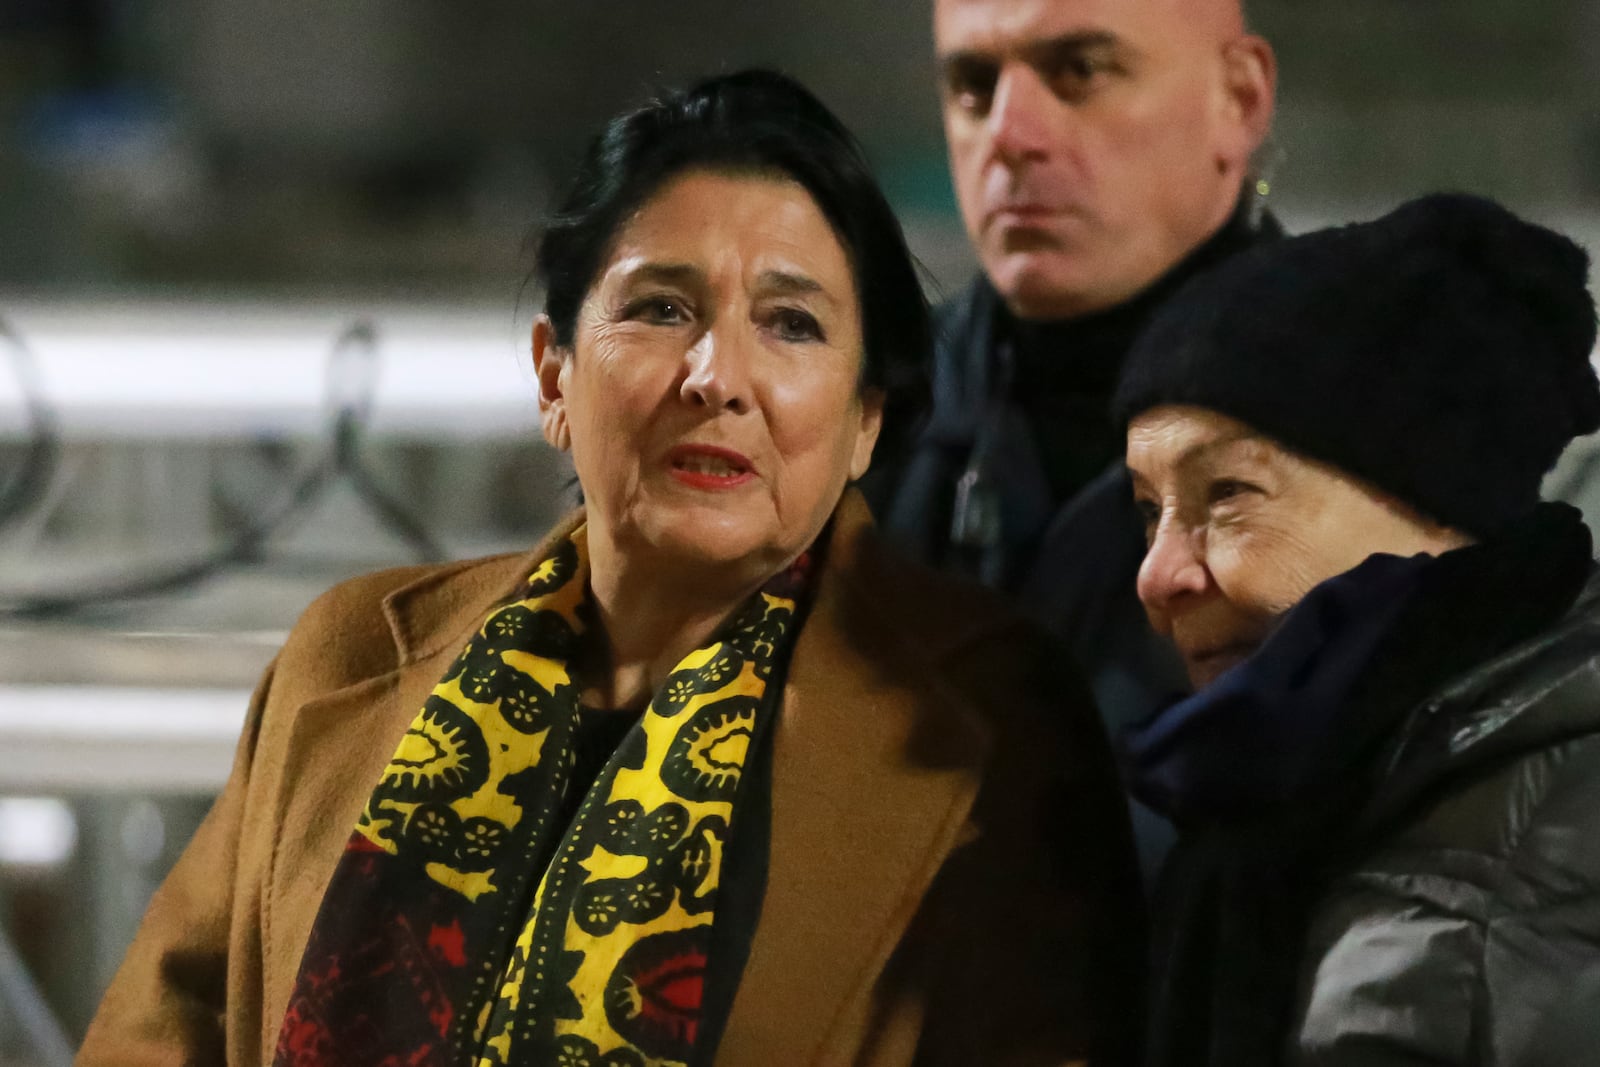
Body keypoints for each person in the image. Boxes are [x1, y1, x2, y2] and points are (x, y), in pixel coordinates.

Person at [77, 70, 1141, 1067]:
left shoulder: (985, 715)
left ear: (865, 422)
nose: (717, 376)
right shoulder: (349, 651)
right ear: (553, 373)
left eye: (792, 324)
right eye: (660, 309)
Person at [1116, 193, 1600, 1065]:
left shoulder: (1492, 903)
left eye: (1227, 494)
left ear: (1438, 509)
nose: (1157, 576)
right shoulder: (1308, 805)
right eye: (1149, 512)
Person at [873, 0, 1279, 879]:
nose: (1009, 135)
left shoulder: (1385, 458)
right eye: (974, 85)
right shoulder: (854, 424)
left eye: (1079, 72)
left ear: (1238, 101)